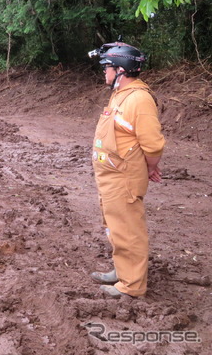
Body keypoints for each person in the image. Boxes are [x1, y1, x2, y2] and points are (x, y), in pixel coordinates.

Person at [88, 42, 165, 298]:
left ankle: (131, 285)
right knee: (115, 226)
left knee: (128, 229)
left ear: (121, 69)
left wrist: (150, 167)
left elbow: (152, 143)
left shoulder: (139, 98)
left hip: (124, 178)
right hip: (111, 176)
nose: (104, 72)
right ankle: (123, 271)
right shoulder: (121, 93)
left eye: (107, 67)